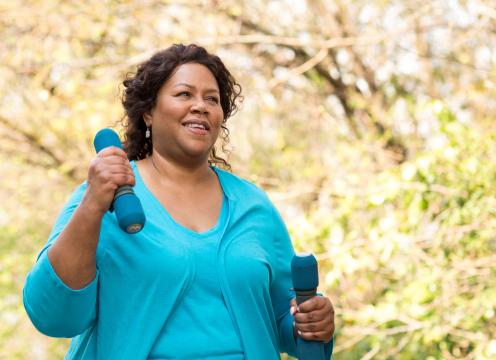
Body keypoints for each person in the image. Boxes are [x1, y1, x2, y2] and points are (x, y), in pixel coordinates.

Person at [23, 44, 335, 359]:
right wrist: (92, 204)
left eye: (211, 99)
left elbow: (283, 316)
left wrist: (311, 323)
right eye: (184, 94)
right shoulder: (107, 195)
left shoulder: (253, 205)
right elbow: (52, 315)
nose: (200, 106)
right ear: (148, 111)